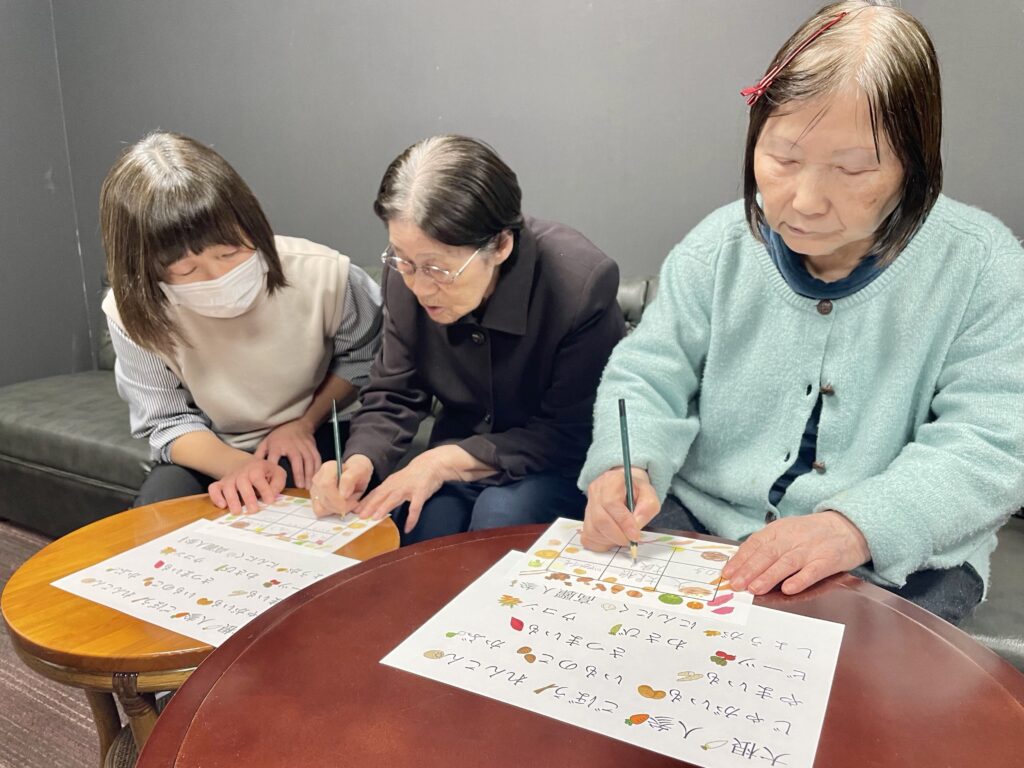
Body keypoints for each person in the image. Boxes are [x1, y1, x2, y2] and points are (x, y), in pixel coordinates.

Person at [579, 1, 1024, 624]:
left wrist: (856, 526)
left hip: (895, 556)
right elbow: (648, 373)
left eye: (853, 168)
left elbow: (991, 442)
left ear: (914, 165)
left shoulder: (982, 265)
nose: (806, 201)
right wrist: (624, 468)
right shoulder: (719, 247)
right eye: (783, 159)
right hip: (707, 522)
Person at [309, 135, 624, 543]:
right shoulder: (406, 275)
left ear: (501, 245)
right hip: (457, 456)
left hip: (552, 462)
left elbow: (571, 430)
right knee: (420, 523)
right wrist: (359, 460)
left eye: (438, 270)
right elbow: (395, 393)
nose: (419, 287)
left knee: (501, 516)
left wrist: (444, 462)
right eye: (403, 259)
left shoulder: (578, 284)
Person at [101, 131, 382, 514]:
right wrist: (236, 466)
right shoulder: (132, 311)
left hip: (318, 426)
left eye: (229, 253)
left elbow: (365, 358)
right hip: (212, 443)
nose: (217, 277)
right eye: (186, 270)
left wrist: (304, 422)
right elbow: (165, 419)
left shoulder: (325, 275)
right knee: (159, 514)